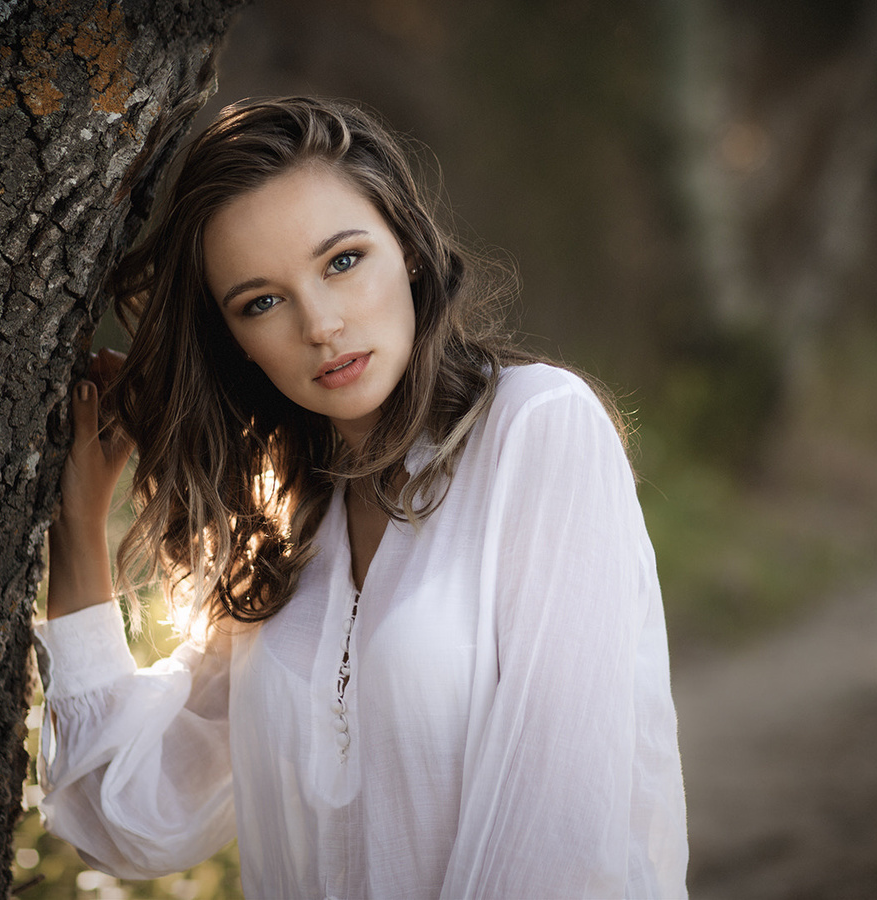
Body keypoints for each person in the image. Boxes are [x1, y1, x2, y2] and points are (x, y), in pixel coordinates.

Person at [35, 96, 689, 899]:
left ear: (407, 249)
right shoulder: (283, 530)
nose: (320, 324)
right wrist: (77, 526)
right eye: (262, 301)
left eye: (343, 260)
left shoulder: (538, 430)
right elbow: (129, 819)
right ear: (234, 339)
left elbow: (558, 832)